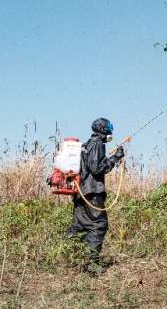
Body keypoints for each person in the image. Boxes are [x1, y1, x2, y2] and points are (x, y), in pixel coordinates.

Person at [67, 117, 124, 273]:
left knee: (79, 227)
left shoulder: (87, 145)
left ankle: (70, 262)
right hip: (92, 193)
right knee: (99, 225)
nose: (111, 132)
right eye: (109, 129)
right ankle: (90, 266)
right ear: (103, 130)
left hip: (80, 193)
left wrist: (108, 158)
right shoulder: (97, 144)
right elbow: (96, 168)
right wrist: (116, 157)